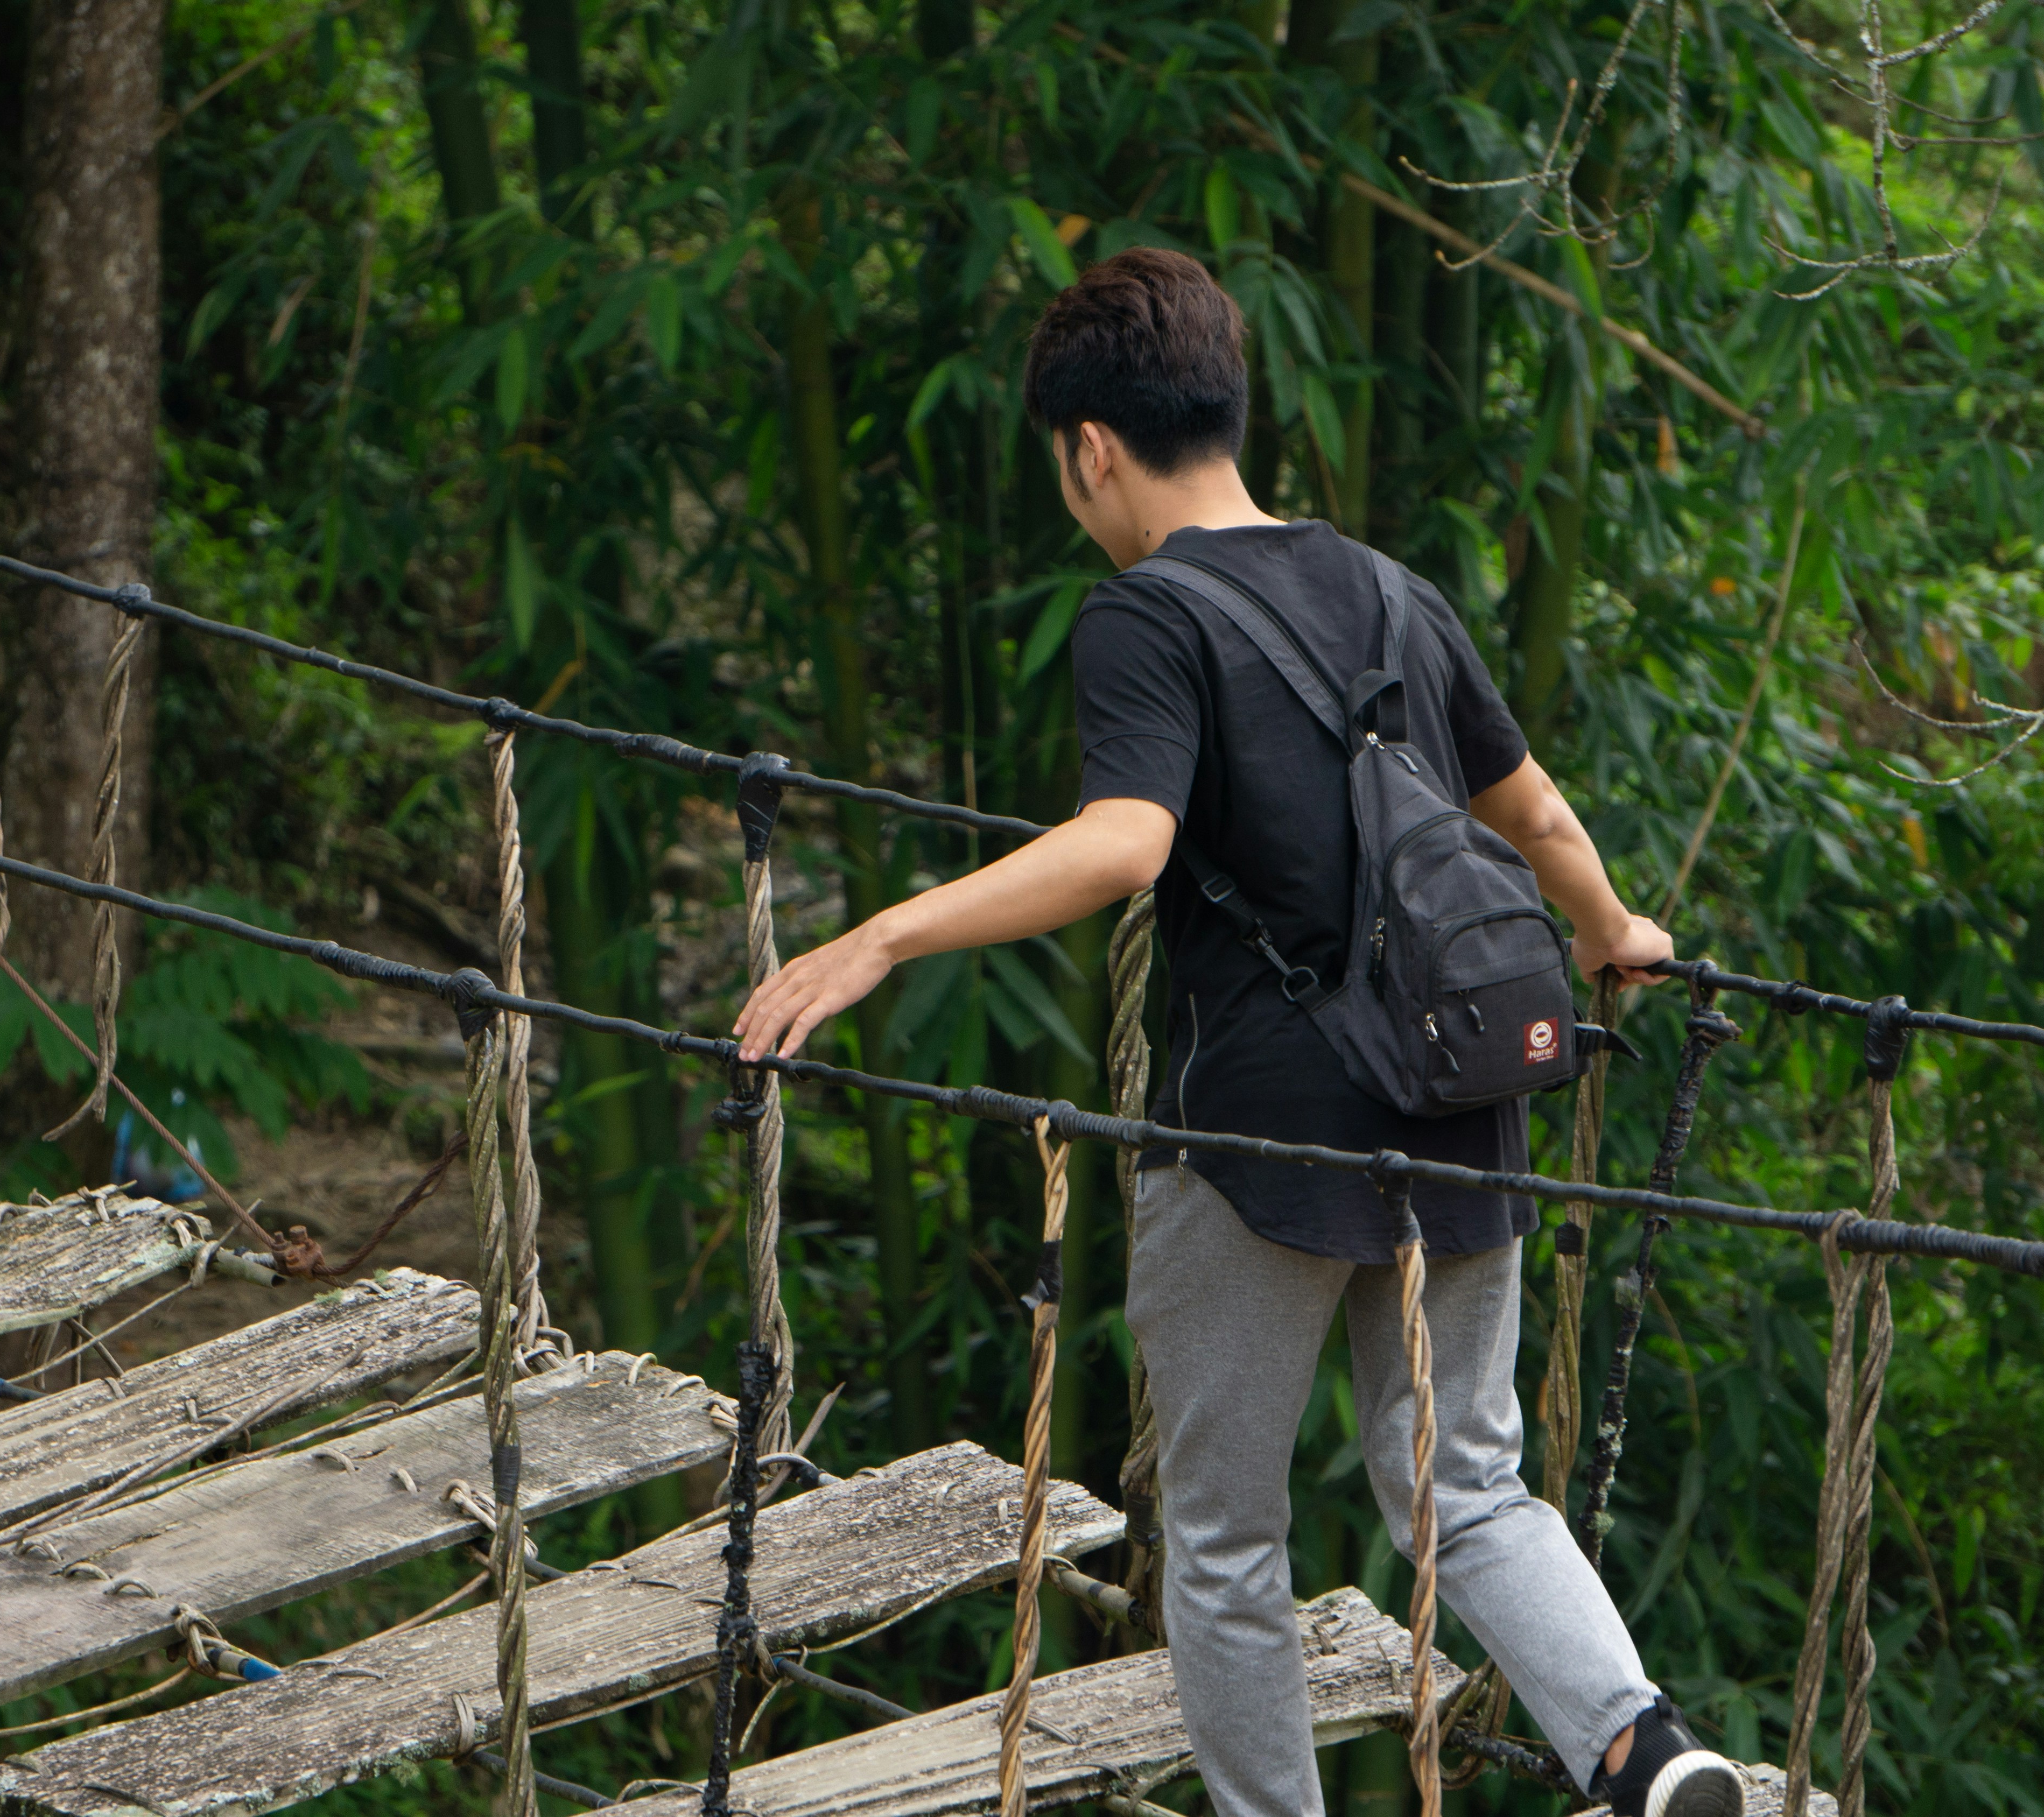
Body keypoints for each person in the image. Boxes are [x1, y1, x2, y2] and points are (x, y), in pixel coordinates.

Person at [733, 245, 1747, 1817]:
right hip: (1463, 1082)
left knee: (1221, 1531)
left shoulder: (1147, 615)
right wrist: (1615, 935)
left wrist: (881, 934)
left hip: (1264, 1127)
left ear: (1093, 449)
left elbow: (1125, 846)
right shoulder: (1388, 588)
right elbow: (1533, 808)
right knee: (1464, 1485)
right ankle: (1639, 1747)